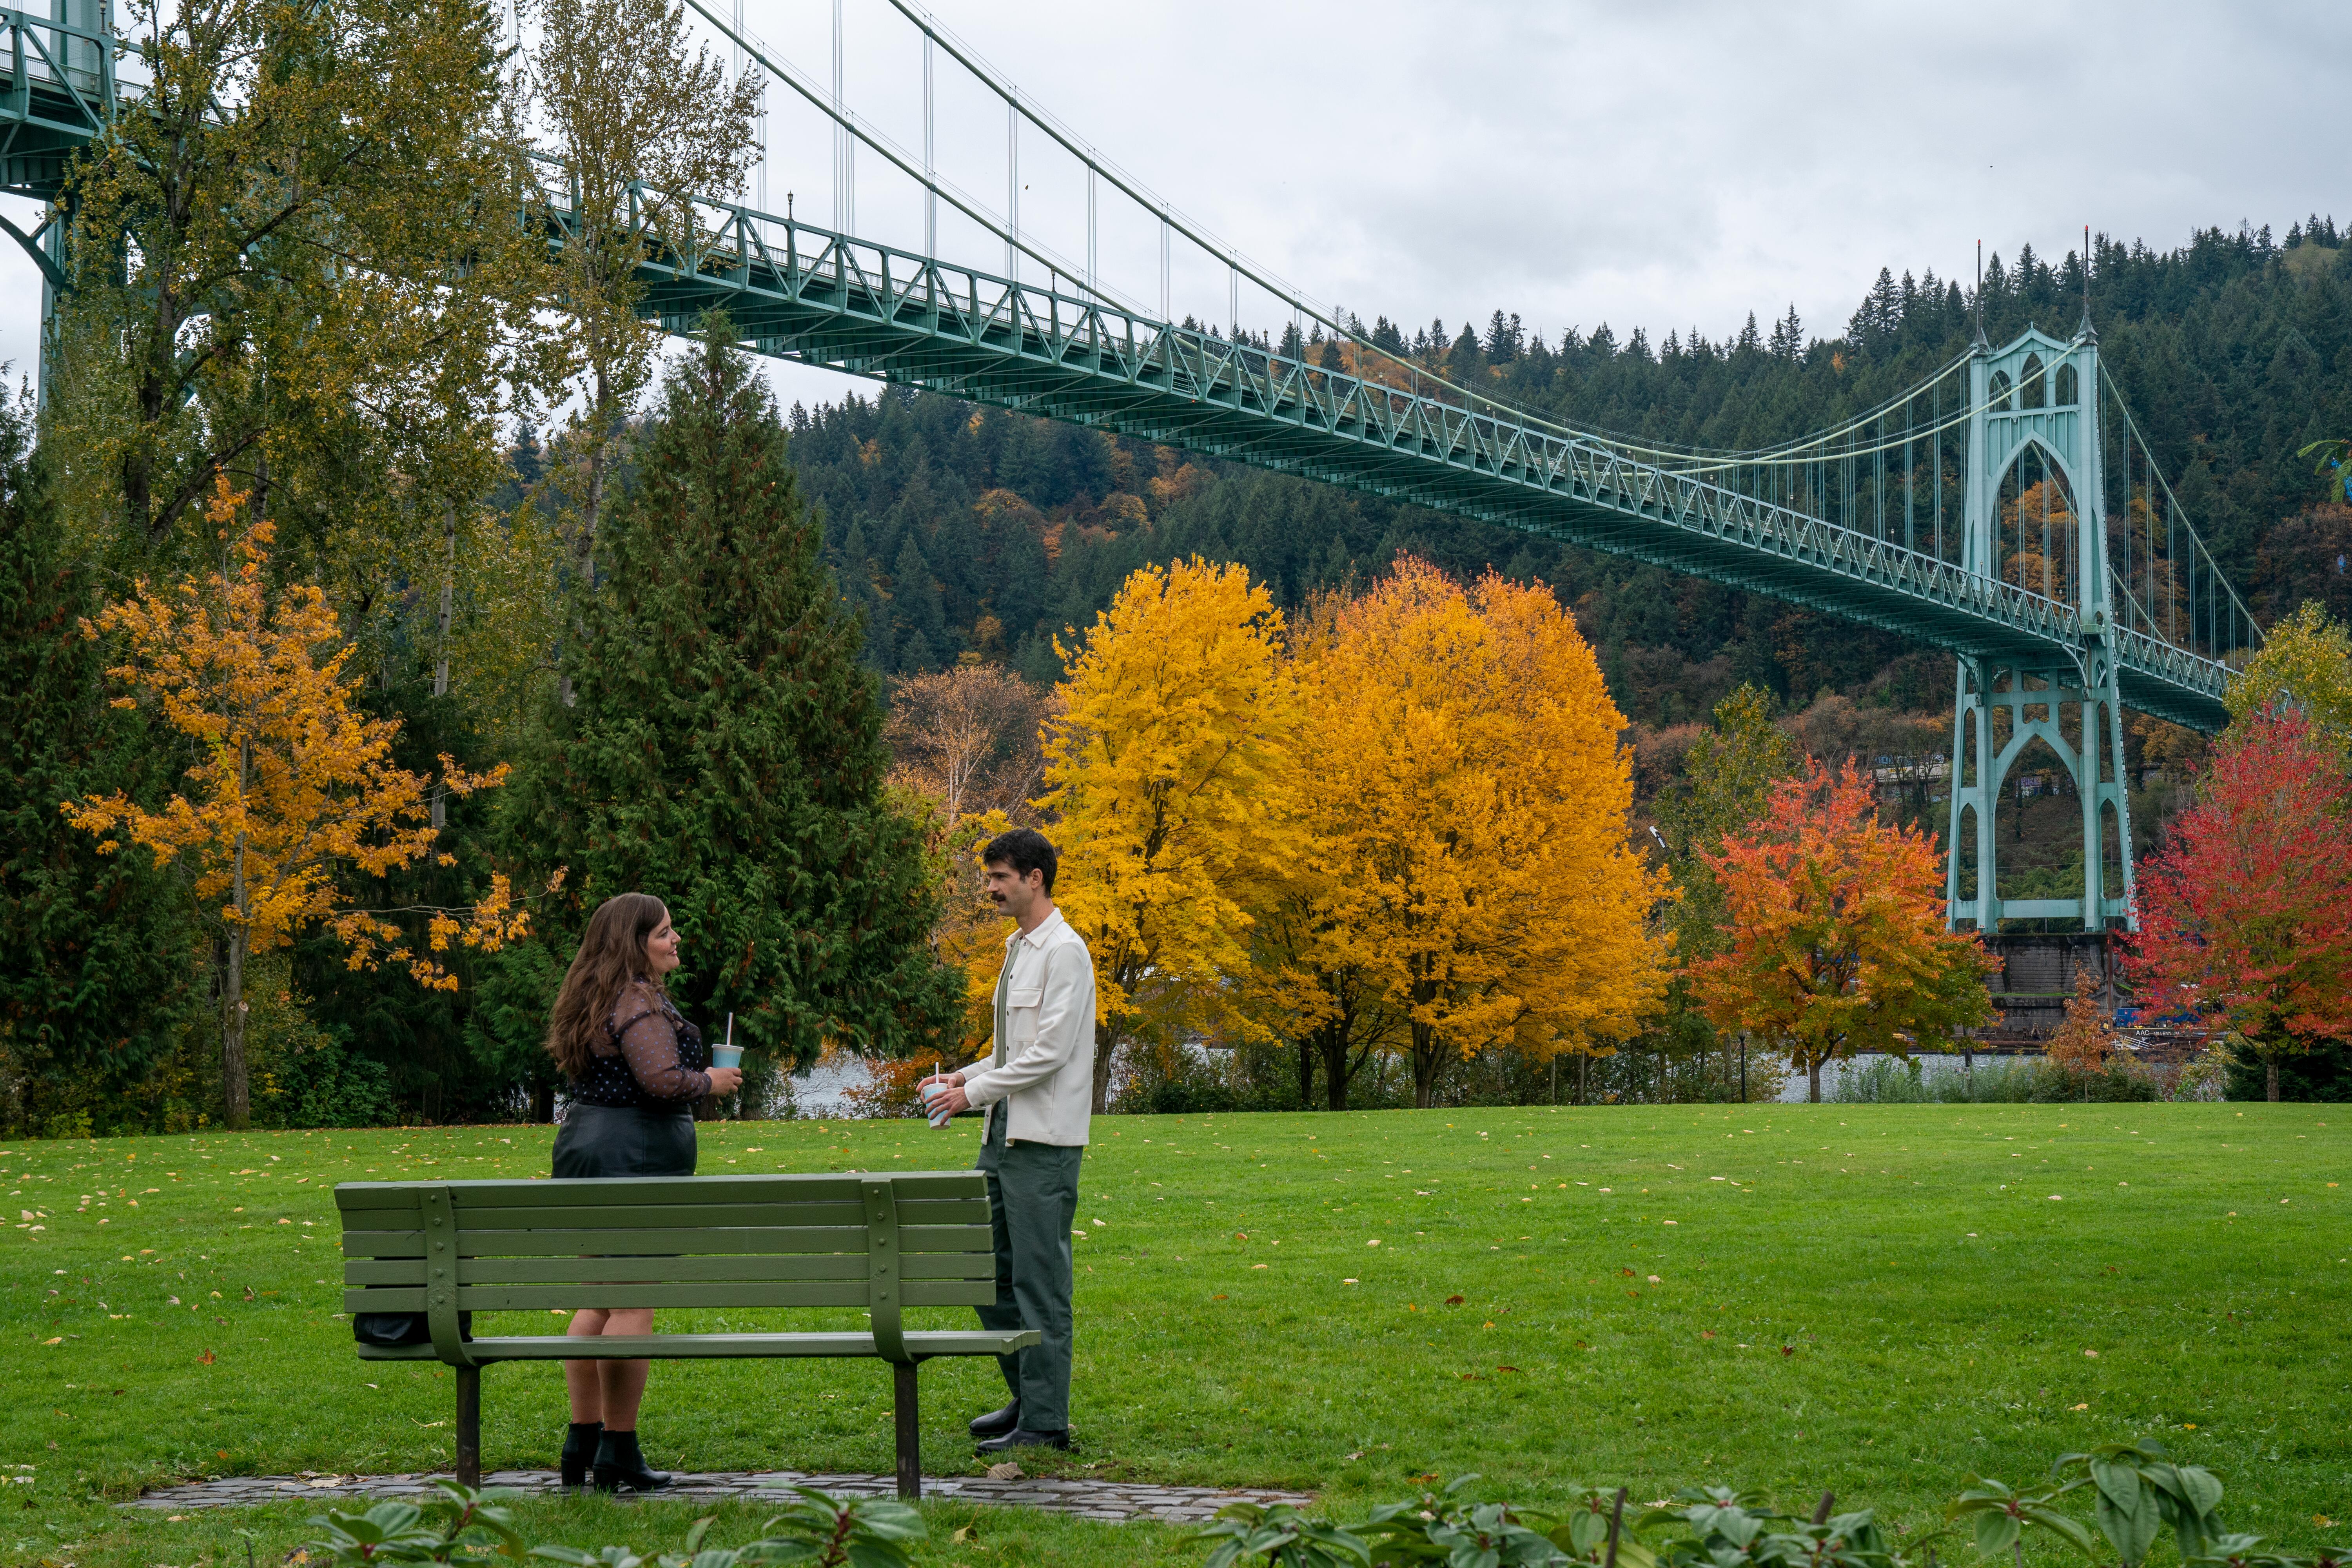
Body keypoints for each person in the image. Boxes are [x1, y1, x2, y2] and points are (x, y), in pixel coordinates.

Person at [543, 892, 742, 1491]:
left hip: (588, 1147)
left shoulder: (597, 994)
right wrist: (711, 1079)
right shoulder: (637, 999)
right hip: (634, 1155)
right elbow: (658, 1080)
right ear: (635, 943)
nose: (675, 939)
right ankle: (618, 1448)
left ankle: (583, 1440)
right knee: (630, 1303)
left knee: (600, 1299)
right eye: (663, 932)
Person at [920, 828, 1095, 1453]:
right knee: (986, 1272)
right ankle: (1029, 1395)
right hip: (1002, 1139)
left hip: (1043, 1143)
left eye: (998, 878)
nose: (989, 888)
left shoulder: (1065, 952)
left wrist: (972, 1096)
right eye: (990, 877)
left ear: (1034, 878)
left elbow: (1049, 1055)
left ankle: (1046, 1423)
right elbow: (1014, 1050)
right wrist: (963, 1076)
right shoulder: (1020, 947)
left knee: (1040, 1282)